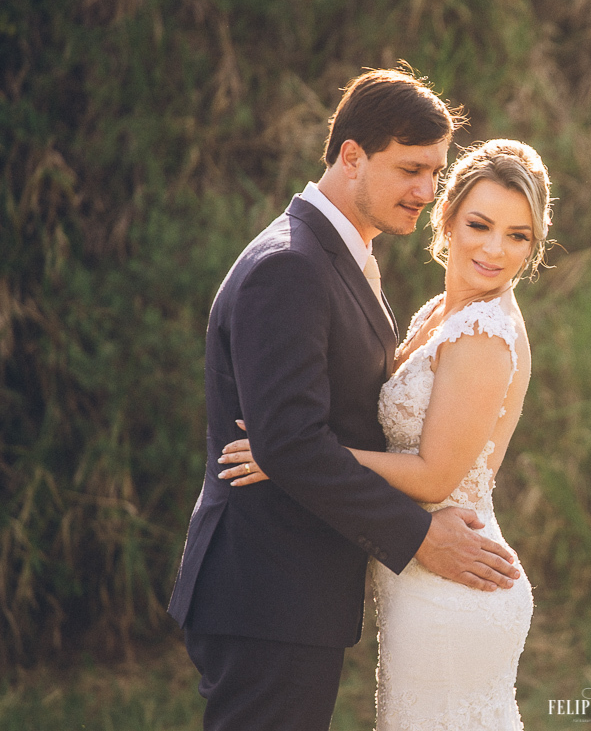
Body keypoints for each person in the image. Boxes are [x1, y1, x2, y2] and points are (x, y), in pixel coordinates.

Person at [167, 67, 521, 731]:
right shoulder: (290, 267)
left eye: (435, 172)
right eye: (410, 169)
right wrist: (418, 537)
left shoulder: (343, 256)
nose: (426, 191)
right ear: (351, 156)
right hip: (268, 594)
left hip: (293, 594)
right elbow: (291, 443)